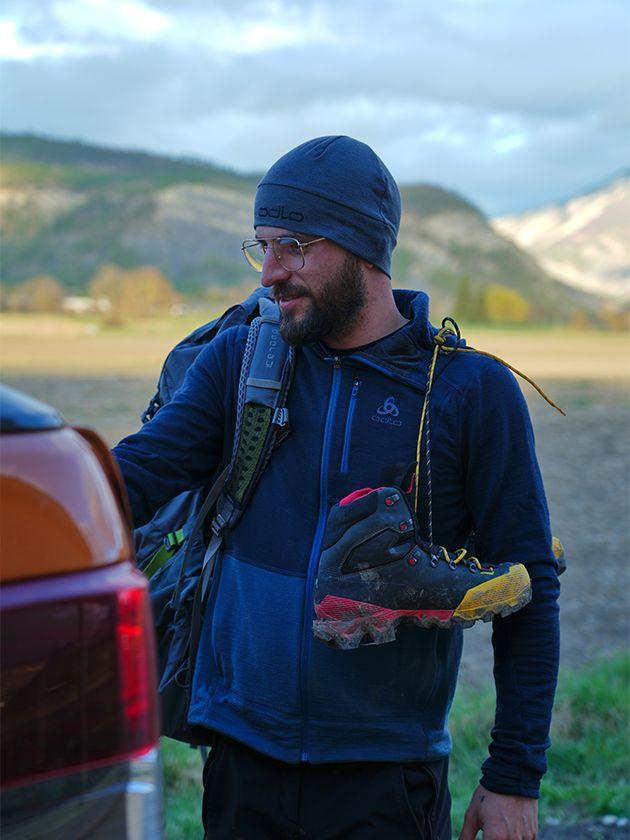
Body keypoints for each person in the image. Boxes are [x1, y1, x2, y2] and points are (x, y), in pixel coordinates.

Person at [114, 136, 560, 839]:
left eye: (293, 246)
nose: (270, 273)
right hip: (240, 765)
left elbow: (530, 585)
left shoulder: (467, 391)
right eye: (262, 247)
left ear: (363, 248)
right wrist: (37, 495)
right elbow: (136, 476)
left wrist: (514, 776)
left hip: (388, 778)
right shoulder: (241, 362)